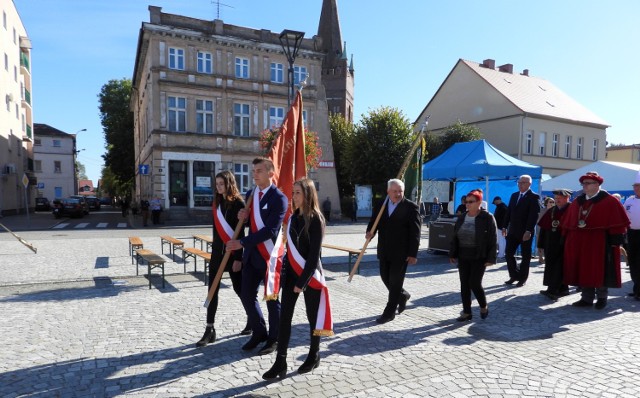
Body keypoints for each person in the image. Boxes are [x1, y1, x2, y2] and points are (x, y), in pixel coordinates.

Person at [263, 178, 334, 380]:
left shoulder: (316, 219)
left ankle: (314, 354)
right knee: (284, 319)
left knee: (313, 318)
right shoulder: (293, 218)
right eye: (292, 193)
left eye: (297, 193)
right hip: (291, 275)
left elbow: (313, 257)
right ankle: (280, 361)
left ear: (308, 195)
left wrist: (301, 283)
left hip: (310, 276)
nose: (293, 197)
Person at [226, 157, 287, 355]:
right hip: (252, 256)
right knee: (246, 295)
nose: (255, 174)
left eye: (259, 170)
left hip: (269, 256)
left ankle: (274, 339)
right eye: (253, 171)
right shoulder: (251, 193)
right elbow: (249, 225)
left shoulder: (279, 198)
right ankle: (259, 332)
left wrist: (241, 243)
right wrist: (241, 219)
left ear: (270, 173)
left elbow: (270, 230)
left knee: (271, 299)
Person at [196, 171, 250, 347]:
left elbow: (241, 231)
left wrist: (238, 258)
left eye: (222, 183)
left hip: (232, 254)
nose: (219, 187)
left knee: (239, 289)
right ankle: (209, 329)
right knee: (212, 291)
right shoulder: (216, 202)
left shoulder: (238, 203)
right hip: (217, 255)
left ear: (229, 183)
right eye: (217, 184)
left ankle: (252, 319)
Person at [562, 171, 630, 309]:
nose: (584, 186)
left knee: (600, 269)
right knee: (584, 269)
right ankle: (586, 298)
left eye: (588, 183)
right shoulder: (578, 202)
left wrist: (615, 241)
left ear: (597, 184)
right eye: (583, 183)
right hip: (581, 242)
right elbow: (569, 222)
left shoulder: (610, 201)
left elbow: (618, 223)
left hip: (600, 242)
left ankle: (602, 298)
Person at [366, 179, 421, 324]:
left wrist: (413, 253)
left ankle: (389, 312)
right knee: (385, 277)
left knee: (395, 281)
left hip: (401, 252)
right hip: (384, 249)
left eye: (400, 191)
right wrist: (369, 232)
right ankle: (402, 296)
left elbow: (415, 232)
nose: (397, 194)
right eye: (395, 191)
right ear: (388, 192)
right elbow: (374, 222)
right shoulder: (381, 205)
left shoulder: (410, 207)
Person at [449, 189, 496, 321]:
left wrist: (491, 258)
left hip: (479, 255)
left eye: (471, 202)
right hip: (463, 255)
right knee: (464, 284)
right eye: (466, 202)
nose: (467, 204)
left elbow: (493, 238)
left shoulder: (487, 217)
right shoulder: (462, 217)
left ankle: (483, 305)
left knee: (474, 283)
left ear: (479, 202)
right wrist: (452, 253)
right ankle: (467, 312)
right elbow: (455, 236)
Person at [502, 175, 541, 287]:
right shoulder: (514, 195)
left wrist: (528, 230)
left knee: (525, 256)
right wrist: (504, 226)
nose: (520, 184)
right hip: (513, 231)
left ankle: (522, 278)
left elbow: (534, 215)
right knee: (509, 253)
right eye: (519, 182)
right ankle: (514, 275)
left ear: (529, 184)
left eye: (523, 182)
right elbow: (509, 212)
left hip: (525, 232)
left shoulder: (534, 197)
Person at [537, 189, 572, 300]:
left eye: (559, 198)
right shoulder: (552, 210)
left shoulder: (572, 210)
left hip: (565, 244)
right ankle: (562, 289)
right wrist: (541, 244)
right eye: (555, 198)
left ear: (567, 198)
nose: (557, 201)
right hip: (550, 244)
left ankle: (554, 290)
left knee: (559, 267)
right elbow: (543, 228)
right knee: (551, 266)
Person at [623, 172, 640, 299]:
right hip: (632, 233)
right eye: (635, 185)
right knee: (633, 261)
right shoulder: (629, 200)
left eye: (638, 185)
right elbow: (623, 216)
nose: (636, 188)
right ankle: (636, 288)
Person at [536, 197, 556, 264]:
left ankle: (548, 257)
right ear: (546, 203)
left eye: (553, 202)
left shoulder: (555, 210)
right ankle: (540, 257)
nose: (552, 203)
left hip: (551, 230)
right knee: (540, 243)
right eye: (550, 202)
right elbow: (538, 220)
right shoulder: (542, 210)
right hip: (541, 229)